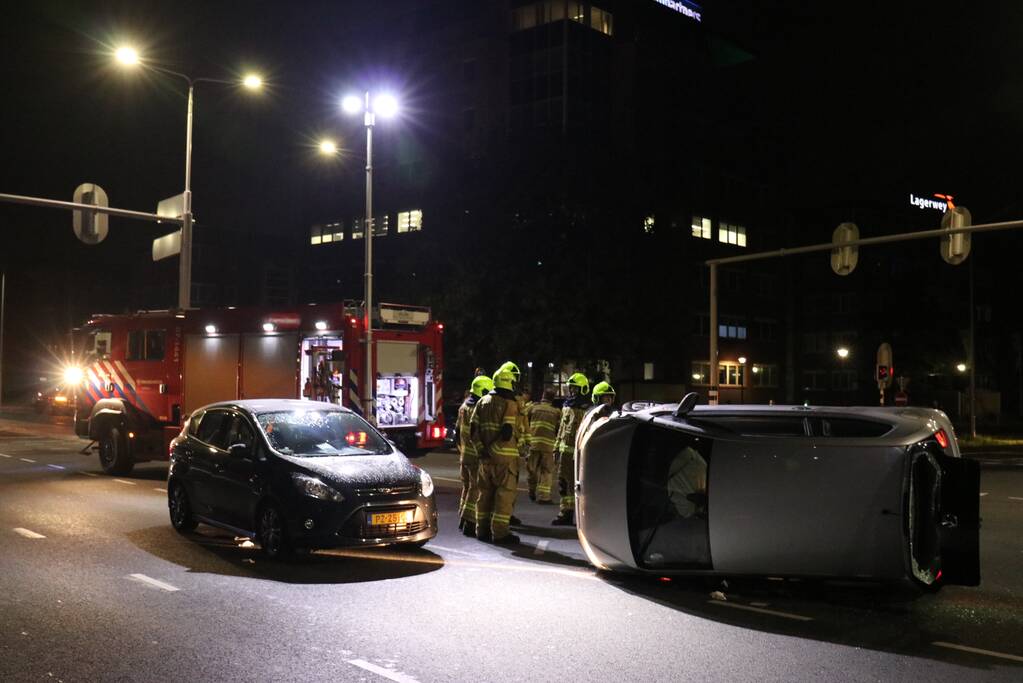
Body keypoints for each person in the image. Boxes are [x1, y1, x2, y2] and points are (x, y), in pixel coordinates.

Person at [470, 365, 521, 544]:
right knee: (503, 497)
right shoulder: (510, 403)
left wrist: (481, 450)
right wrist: (494, 450)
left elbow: (473, 430)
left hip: (485, 459)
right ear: (509, 382)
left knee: (484, 494)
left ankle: (481, 530)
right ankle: (499, 534)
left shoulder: (481, 401)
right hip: (504, 460)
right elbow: (507, 432)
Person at [552, 372, 591, 526]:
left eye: (575, 389)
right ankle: (565, 513)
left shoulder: (585, 408)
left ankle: (580, 516)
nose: (572, 392)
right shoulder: (567, 406)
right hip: (564, 453)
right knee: (563, 483)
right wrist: (556, 448)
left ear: (582, 389)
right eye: (571, 389)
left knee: (577, 485)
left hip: (576, 453)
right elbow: (561, 429)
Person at [457, 374, 493, 536]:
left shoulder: (463, 406)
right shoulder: (476, 408)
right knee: (475, 488)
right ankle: (469, 522)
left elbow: (458, 431)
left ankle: (462, 518)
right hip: (474, 455)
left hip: (464, 454)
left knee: (467, 487)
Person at [526, 387, 560, 504]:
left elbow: (523, 417)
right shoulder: (556, 412)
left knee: (532, 470)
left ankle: (531, 491)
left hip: (533, 443)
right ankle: (544, 497)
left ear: (542, 397)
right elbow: (559, 428)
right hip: (548, 445)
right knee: (546, 471)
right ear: (553, 399)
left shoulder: (533, 408)